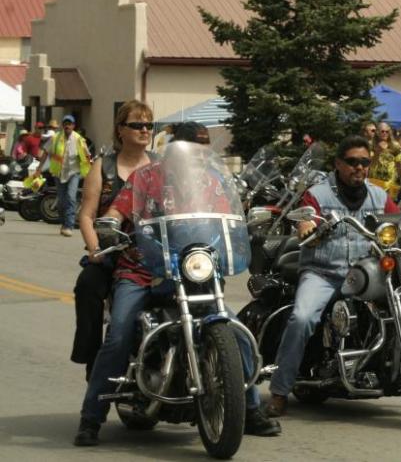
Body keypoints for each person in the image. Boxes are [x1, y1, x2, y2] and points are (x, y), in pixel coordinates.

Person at [73, 123, 281, 447]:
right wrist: (112, 222)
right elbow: (117, 209)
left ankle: (250, 409)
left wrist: (246, 226)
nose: (201, 152)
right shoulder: (146, 178)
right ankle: (91, 418)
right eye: (195, 145)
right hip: (142, 269)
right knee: (119, 334)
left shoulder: (211, 182)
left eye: (205, 145)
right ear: (177, 146)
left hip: (193, 271)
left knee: (235, 330)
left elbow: (227, 219)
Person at [265, 136, 401, 417]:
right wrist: (306, 228)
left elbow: (398, 221)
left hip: (365, 273)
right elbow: (306, 218)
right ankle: (279, 391)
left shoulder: (379, 196)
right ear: (338, 164)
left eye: (364, 162)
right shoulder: (318, 193)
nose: (359, 168)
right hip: (324, 272)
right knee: (302, 318)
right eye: (352, 162)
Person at [70, 100, 156, 382]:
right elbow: (86, 215)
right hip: (112, 251)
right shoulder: (103, 167)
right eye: (136, 125)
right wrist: (95, 249)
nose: (144, 130)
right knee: (88, 285)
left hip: (152, 254)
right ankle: (93, 358)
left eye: (148, 125)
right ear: (120, 130)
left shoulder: (160, 166)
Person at [37, 115, 92, 236]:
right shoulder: (55, 138)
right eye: (65, 123)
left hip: (74, 173)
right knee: (61, 201)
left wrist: (91, 169)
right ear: (63, 126)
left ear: (73, 126)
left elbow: (87, 156)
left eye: (70, 124)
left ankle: (69, 226)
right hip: (59, 173)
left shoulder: (79, 139)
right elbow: (46, 153)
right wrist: (39, 168)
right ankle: (63, 223)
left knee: (71, 197)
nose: (67, 126)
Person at [369, 121, 401, 199]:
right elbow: (369, 163)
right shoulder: (371, 145)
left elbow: (399, 165)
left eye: (387, 131)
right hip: (374, 183)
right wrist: (377, 152)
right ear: (377, 132)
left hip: (390, 184)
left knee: (389, 207)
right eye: (382, 131)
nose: (385, 133)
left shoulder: (395, 146)